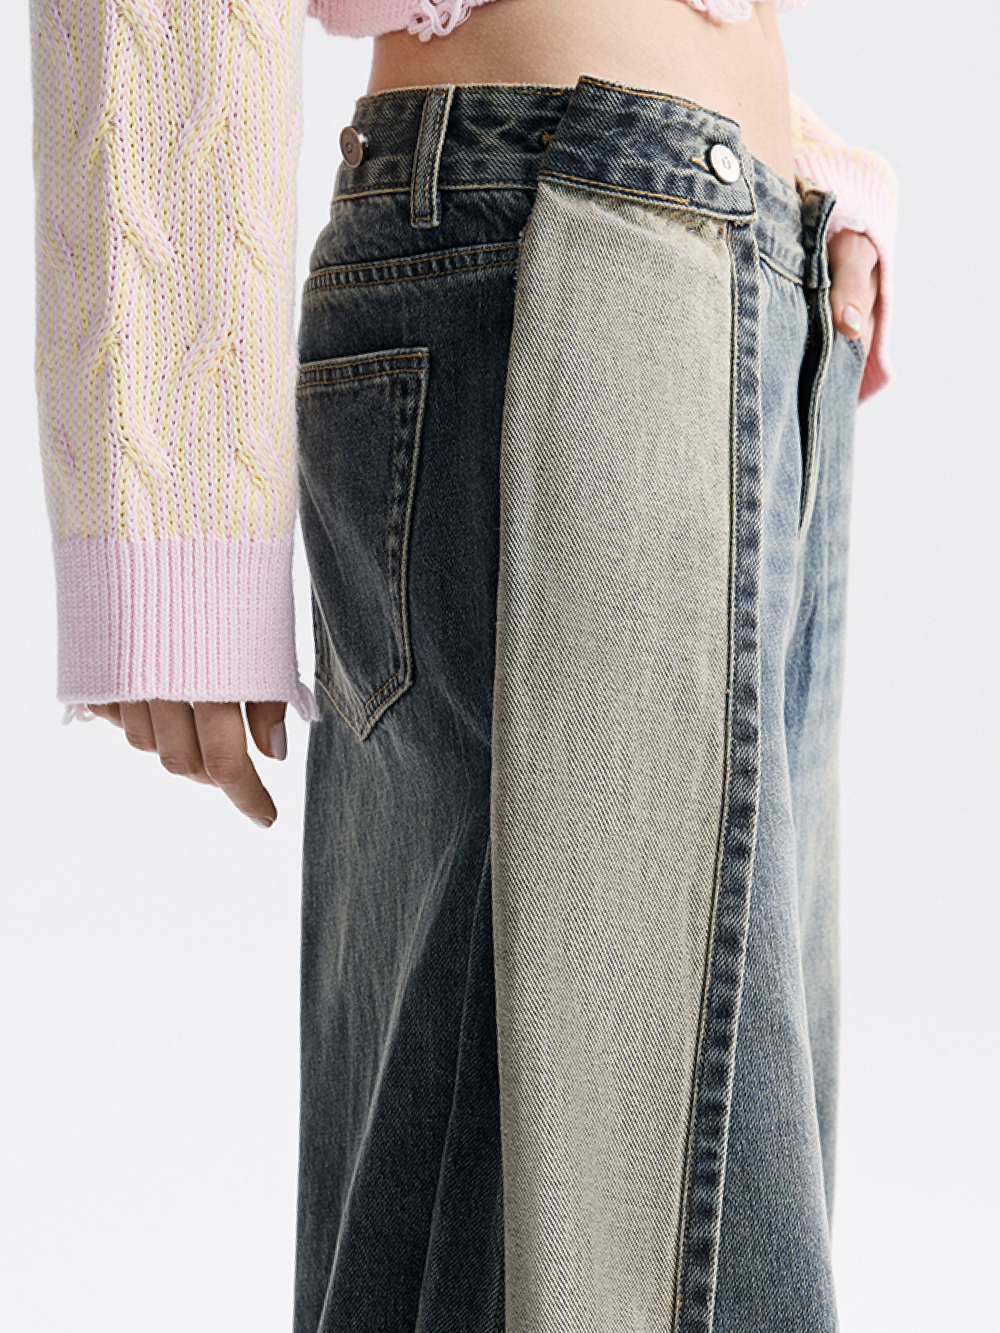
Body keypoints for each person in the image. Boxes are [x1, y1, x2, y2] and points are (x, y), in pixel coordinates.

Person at [30, 1, 898, 1329]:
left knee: (654, 1228)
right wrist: (170, 465)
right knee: (623, 1250)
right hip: (574, 240)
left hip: (734, 266)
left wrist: (802, 156)